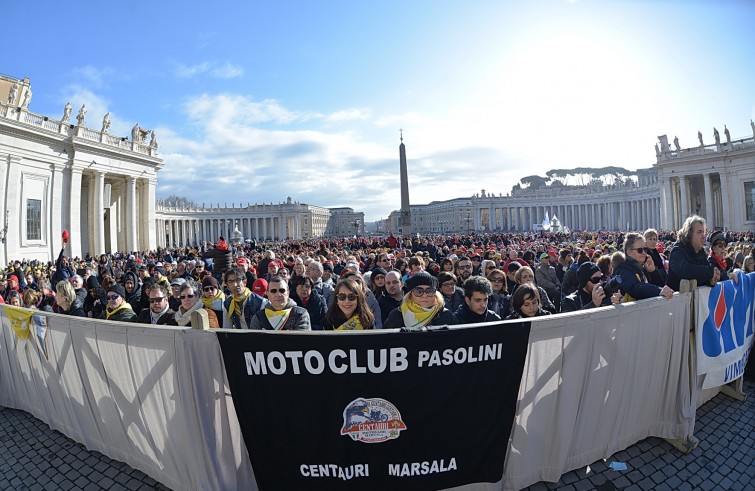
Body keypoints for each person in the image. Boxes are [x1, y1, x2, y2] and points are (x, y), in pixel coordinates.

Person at [384, 272, 454, 330]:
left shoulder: (446, 315)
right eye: (418, 291)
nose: (424, 295)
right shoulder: (397, 316)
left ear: (435, 295)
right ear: (410, 295)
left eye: (429, 291)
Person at [667, 215, 721, 291]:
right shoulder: (677, 251)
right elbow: (685, 271)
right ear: (689, 234)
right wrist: (710, 273)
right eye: (699, 232)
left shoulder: (701, 253)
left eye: (704, 232)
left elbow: (703, 276)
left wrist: (711, 280)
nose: (703, 236)